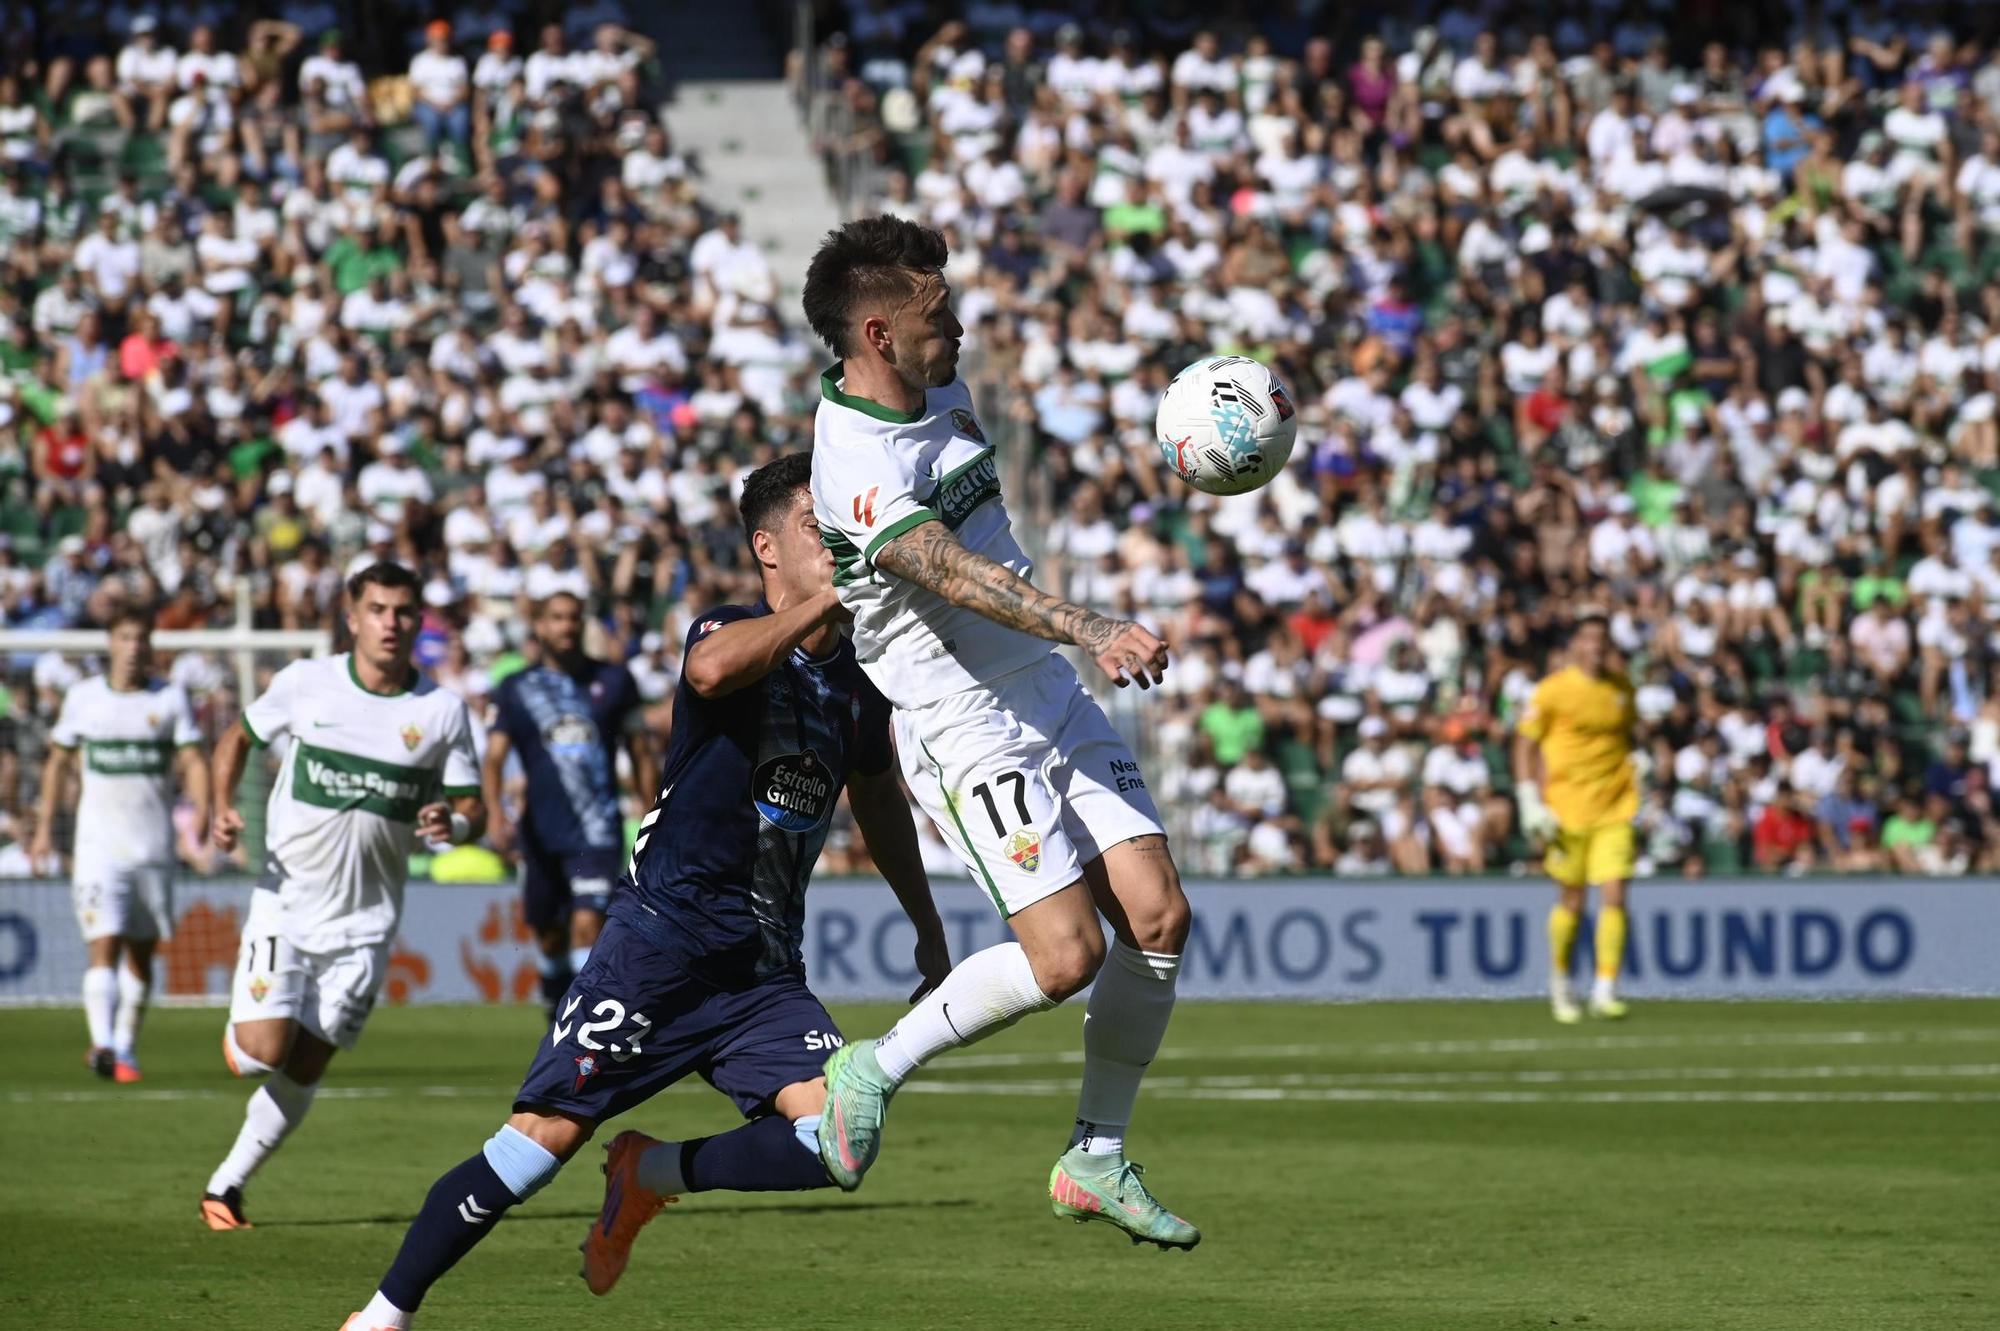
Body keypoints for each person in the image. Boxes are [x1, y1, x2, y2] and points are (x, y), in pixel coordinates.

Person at [338, 453, 948, 1330]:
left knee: (838, 1139)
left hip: (762, 972)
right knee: (538, 1143)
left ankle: (648, 1171)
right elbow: (709, 673)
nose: (838, 542)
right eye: (819, 527)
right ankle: (383, 1314)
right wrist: (824, 604)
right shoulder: (730, 629)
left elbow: (879, 798)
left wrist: (926, 923)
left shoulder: (859, 684)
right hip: (660, 944)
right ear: (767, 547)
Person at [803, 215, 1199, 1249]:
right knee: (1064, 957)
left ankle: (1095, 1155)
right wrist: (1092, 626)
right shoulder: (852, 458)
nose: (960, 330)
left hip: (1045, 689)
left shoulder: (940, 389)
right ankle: (872, 1068)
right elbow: (955, 573)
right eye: (939, 316)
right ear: (878, 335)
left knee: (1158, 916)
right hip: (962, 721)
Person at [199, 563, 486, 1230]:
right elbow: (237, 736)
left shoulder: (440, 711)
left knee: (306, 1064)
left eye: (403, 611)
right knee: (263, 1051)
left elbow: (475, 807)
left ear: (418, 622)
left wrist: (454, 822)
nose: (391, 622)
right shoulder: (307, 683)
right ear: (352, 618)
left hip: (367, 922)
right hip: (288, 901)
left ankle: (225, 1188)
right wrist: (220, 806)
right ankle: (249, 1034)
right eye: (377, 609)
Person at [30, 605, 209, 1082]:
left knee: (142, 955)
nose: (133, 648)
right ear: (110, 643)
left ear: (151, 644)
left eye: (141, 638)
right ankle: (105, 1045)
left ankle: (126, 1046)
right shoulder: (84, 698)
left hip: (153, 848)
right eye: (125, 638)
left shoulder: (169, 698)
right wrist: (45, 828)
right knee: (103, 942)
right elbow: (57, 762)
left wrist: (203, 809)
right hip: (98, 848)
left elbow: (193, 759)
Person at [485, 591, 653, 1017]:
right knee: (549, 935)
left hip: (596, 830)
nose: (566, 626)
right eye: (557, 618)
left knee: (587, 924)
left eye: (574, 618)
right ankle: (554, 1010)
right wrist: (494, 814)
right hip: (540, 832)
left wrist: (653, 810)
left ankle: (579, 1024)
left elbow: (640, 751)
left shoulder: (615, 681)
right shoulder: (516, 688)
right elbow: (494, 758)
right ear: (540, 626)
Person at [1512, 615, 1638, 1024]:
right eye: (1589, 639)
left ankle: (1605, 988)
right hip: (1567, 810)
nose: (1596, 646)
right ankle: (1561, 979)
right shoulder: (1553, 691)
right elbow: (1525, 744)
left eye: (1603, 639)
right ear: (1575, 646)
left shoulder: (1621, 690)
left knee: (1615, 892)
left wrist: (1640, 764)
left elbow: (1624, 738)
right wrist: (1529, 799)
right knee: (1573, 899)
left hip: (1615, 807)